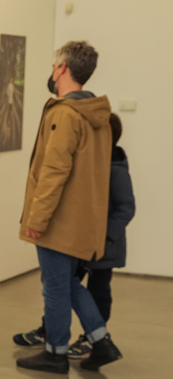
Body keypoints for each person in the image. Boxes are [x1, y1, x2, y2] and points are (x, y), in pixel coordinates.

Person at [16, 41, 123, 374]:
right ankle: (102, 342)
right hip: (82, 219)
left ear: (62, 68)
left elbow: (54, 171)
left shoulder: (64, 113)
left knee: (56, 286)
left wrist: (37, 218)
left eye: (53, 64)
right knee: (70, 284)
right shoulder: (98, 115)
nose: (52, 70)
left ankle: (55, 353)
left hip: (59, 220)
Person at [13, 112, 135, 356]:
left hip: (104, 246)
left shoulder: (115, 168)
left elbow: (126, 208)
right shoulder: (90, 164)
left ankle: (94, 341)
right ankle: (51, 331)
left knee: (95, 291)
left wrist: (104, 236)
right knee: (62, 286)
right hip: (82, 241)